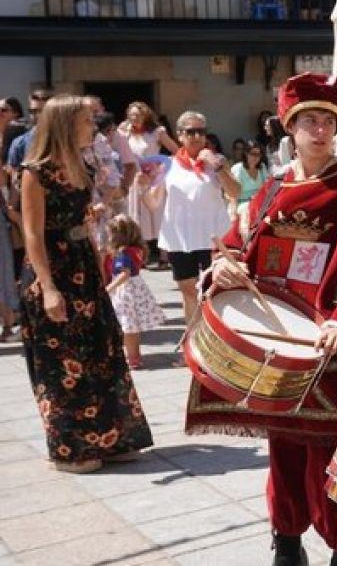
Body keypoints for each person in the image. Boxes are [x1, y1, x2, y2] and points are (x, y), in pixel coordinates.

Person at [191, 73, 337, 566]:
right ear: (289, 128)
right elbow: (238, 242)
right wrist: (228, 262)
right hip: (275, 339)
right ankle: (287, 541)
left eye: (328, 121)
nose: (319, 130)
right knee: (284, 449)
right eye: (309, 121)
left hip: (328, 343)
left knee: (330, 451)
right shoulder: (271, 189)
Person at [20, 95, 153, 473]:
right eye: (84, 120)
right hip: (52, 266)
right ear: (64, 124)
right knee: (63, 360)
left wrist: (97, 252)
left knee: (101, 349)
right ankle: (72, 448)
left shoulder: (81, 163)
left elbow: (82, 220)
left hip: (82, 263)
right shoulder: (35, 171)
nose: (91, 126)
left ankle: (112, 439)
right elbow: (32, 234)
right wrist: (47, 288)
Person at [158, 111, 240, 326]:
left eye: (201, 132)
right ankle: (192, 341)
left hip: (213, 237)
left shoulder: (218, 161)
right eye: (191, 132)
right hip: (180, 236)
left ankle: (217, 342)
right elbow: (153, 202)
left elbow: (235, 192)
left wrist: (218, 167)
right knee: (188, 292)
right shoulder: (168, 164)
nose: (196, 136)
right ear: (179, 135)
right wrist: (144, 184)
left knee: (216, 291)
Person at [119, 101, 179, 267]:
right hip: (135, 179)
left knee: (158, 215)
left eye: (138, 115)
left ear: (146, 115)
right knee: (136, 216)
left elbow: (176, 150)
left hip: (154, 178)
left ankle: (164, 256)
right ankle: (141, 255)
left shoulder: (156, 132)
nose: (135, 118)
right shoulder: (125, 132)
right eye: (131, 115)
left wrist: (162, 167)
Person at [104, 214, 164, 369]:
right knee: (133, 328)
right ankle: (135, 356)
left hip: (125, 291)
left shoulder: (122, 253)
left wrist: (109, 288)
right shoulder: (136, 249)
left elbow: (124, 274)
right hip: (136, 288)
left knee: (127, 327)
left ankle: (131, 358)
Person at [230, 139, 270, 231]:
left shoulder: (262, 167)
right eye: (253, 154)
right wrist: (233, 214)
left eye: (258, 154)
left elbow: (268, 187)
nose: (256, 157)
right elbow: (232, 194)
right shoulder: (238, 169)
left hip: (259, 203)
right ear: (246, 154)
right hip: (242, 204)